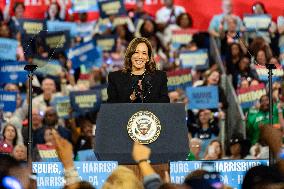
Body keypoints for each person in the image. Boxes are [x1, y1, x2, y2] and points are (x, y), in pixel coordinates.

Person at [107, 37, 170, 103]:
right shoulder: (115, 78)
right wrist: (131, 97)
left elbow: (164, 104)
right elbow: (111, 107)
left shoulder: (160, 77)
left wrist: (144, 97)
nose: (140, 56)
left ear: (148, 58)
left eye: (144, 53)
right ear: (130, 55)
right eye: (136, 52)